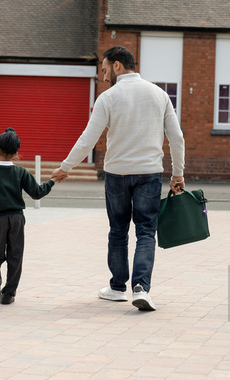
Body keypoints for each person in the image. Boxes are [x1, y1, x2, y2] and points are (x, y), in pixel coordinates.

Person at [51, 46, 185, 311]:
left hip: (116, 175)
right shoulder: (160, 95)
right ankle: (141, 288)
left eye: (103, 70)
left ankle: (116, 288)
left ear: (117, 66)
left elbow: (88, 138)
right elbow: (177, 138)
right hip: (149, 173)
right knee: (147, 231)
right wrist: (178, 174)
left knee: (118, 231)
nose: (103, 77)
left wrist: (66, 167)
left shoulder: (108, 98)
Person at [0, 127, 61, 306]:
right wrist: (53, 181)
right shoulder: (21, 173)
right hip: (17, 219)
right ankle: (8, 294)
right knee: (15, 256)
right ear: (16, 153)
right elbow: (37, 193)